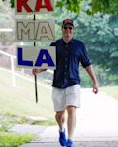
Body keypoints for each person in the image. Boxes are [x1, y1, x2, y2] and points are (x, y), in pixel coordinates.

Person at [33, 18, 99, 147]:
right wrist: (38, 70)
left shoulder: (80, 46)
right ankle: (61, 130)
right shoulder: (54, 45)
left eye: (70, 28)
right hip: (58, 84)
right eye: (65, 28)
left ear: (73, 30)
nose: (68, 30)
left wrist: (95, 82)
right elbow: (47, 64)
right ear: (62, 29)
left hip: (73, 82)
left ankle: (70, 139)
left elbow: (87, 64)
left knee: (72, 109)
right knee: (59, 114)